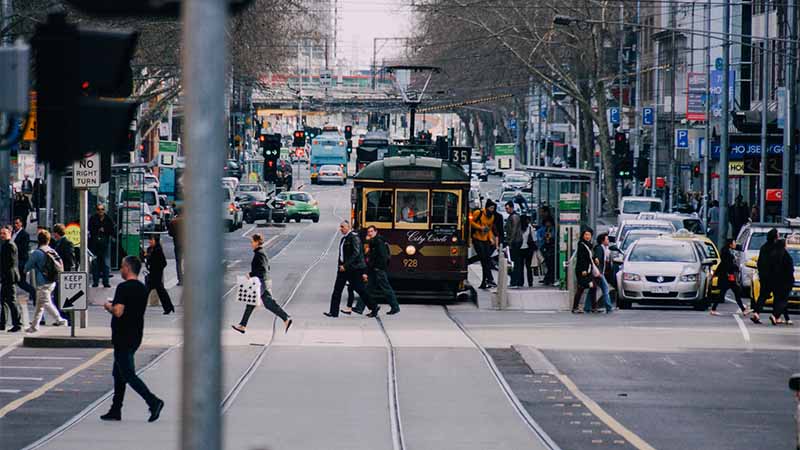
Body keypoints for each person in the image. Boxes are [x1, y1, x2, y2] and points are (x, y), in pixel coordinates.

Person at [100, 256, 165, 422]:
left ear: (128, 268)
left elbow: (118, 311)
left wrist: (109, 306)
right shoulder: (142, 288)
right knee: (118, 373)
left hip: (122, 336)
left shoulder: (123, 287)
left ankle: (153, 401)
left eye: (122, 266)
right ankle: (116, 409)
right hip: (136, 335)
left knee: (128, 374)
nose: (121, 269)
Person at [232, 233, 292, 333]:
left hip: (261, 282)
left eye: (252, 242)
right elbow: (267, 267)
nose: (251, 244)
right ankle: (286, 318)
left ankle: (243, 325)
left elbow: (263, 269)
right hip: (264, 281)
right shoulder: (261, 252)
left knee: (254, 303)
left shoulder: (259, 253)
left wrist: (250, 274)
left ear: (256, 242)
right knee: (264, 303)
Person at [325, 221, 379, 318]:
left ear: (348, 227)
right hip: (343, 269)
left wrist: (345, 265)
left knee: (360, 289)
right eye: (340, 227)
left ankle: (374, 307)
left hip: (354, 269)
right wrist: (341, 266)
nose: (340, 229)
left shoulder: (354, 238)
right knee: (337, 290)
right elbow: (342, 255)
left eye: (342, 227)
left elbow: (356, 253)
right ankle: (333, 312)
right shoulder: (344, 239)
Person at [23, 230, 67, 332]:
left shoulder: (37, 253)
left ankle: (60, 320)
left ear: (38, 240)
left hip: (42, 282)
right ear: (48, 240)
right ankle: (34, 326)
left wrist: (26, 270)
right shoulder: (52, 251)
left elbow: (27, 267)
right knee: (40, 305)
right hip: (52, 281)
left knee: (45, 303)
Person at [358, 226, 399, 315]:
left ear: (376, 232)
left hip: (378, 270)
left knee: (386, 289)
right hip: (374, 269)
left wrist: (379, 267)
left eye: (372, 231)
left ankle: (395, 307)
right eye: (368, 231)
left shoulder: (378, 241)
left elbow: (383, 257)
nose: (370, 233)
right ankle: (359, 308)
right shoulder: (374, 241)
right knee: (367, 289)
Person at [710, 239, 749, 316]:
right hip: (727, 277)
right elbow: (727, 265)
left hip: (727, 276)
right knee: (726, 293)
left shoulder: (728, 251)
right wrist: (734, 268)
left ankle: (743, 310)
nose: (735, 244)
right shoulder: (726, 253)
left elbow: (725, 264)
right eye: (734, 243)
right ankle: (743, 310)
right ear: (730, 244)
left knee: (730, 292)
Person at [751, 228, 779, 324]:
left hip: (764, 276)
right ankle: (775, 315)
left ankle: (757, 313)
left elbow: (759, 262)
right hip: (774, 276)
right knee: (778, 296)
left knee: (762, 295)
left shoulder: (764, 247)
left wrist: (761, 273)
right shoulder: (776, 248)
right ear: (775, 237)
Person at [143, 235, 175, 315]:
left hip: (156, 275)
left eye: (152, 240)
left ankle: (139, 308)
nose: (150, 241)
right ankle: (169, 307)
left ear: (156, 241)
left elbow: (164, 263)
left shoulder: (158, 250)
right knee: (160, 291)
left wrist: (156, 268)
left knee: (147, 292)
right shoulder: (150, 249)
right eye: (149, 240)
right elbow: (147, 259)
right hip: (152, 274)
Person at [469, 199, 497, 289]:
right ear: (487, 207)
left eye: (493, 208)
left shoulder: (492, 217)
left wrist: (491, 239)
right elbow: (471, 222)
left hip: (485, 239)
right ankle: (490, 279)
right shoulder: (478, 213)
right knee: (484, 258)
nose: (492, 210)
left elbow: (489, 229)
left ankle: (485, 282)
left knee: (485, 260)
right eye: (491, 208)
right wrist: (480, 228)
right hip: (477, 238)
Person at [0, 226, 23, 332]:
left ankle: (18, 323)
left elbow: (9, 263)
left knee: (11, 301)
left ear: (9, 233)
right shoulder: (5, 245)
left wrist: (3, 274)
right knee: (4, 301)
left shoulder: (10, 245)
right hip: (6, 277)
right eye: (1, 233)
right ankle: (2, 323)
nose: (2, 235)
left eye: (4, 233)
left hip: (9, 277)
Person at [52, 224, 75, 323]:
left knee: (62, 297)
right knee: (58, 297)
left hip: (64, 273)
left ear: (56, 233)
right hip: (59, 274)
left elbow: (70, 260)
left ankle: (67, 318)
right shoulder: (58, 243)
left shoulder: (66, 243)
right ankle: (63, 318)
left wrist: (67, 272)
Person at [11, 217, 36, 307]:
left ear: (21, 224)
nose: (15, 225)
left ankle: (34, 293)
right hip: (14, 263)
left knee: (21, 282)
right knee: (16, 282)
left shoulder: (24, 234)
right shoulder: (14, 233)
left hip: (20, 262)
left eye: (17, 223)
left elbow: (23, 249)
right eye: (15, 223)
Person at [89, 204, 115, 288]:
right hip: (95, 244)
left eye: (102, 209)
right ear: (96, 210)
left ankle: (105, 282)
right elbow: (90, 229)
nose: (101, 211)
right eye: (99, 209)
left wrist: (105, 230)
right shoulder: (93, 218)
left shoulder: (108, 219)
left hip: (105, 244)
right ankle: (95, 282)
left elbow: (112, 230)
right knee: (95, 263)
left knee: (105, 263)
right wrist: (97, 230)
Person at [587, 233, 614, 313]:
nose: (608, 241)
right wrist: (598, 272)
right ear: (602, 241)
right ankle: (608, 307)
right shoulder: (599, 249)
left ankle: (587, 307)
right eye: (607, 239)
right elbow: (597, 261)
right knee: (605, 289)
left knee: (592, 290)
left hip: (599, 272)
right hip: (599, 273)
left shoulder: (603, 248)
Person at [769, 239, 794, 326]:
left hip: (775, 281)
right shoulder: (786, 256)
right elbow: (790, 270)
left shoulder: (773, 255)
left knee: (777, 299)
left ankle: (786, 318)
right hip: (785, 282)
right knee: (784, 300)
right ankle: (775, 315)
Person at [572, 227, 594, 314]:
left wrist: (595, 258)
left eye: (589, 235)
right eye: (586, 234)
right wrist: (583, 270)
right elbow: (581, 259)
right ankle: (576, 307)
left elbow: (590, 256)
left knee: (591, 287)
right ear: (583, 235)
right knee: (581, 288)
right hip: (582, 271)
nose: (587, 236)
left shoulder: (589, 244)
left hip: (587, 270)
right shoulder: (581, 244)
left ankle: (590, 306)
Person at [504, 201, 523, 288]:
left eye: (507, 208)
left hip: (515, 242)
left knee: (515, 262)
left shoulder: (514, 217)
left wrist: (510, 241)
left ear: (511, 208)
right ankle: (515, 280)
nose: (506, 210)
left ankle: (515, 281)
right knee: (514, 262)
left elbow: (514, 230)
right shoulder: (512, 216)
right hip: (514, 241)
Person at [519, 215, 537, 287]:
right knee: (529, 267)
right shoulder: (530, 228)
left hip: (520, 249)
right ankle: (530, 282)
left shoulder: (518, 228)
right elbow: (534, 239)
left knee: (521, 267)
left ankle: (521, 282)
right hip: (528, 249)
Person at [166, 209, 183, 286]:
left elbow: (170, 233)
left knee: (178, 262)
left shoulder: (173, 222)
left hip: (177, 244)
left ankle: (180, 280)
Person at [539, 219, 556, 285]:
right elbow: (542, 236)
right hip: (546, 247)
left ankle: (549, 278)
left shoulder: (553, 229)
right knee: (548, 264)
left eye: (548, 222)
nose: (547, 224)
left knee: (551, 264)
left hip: (551, 247)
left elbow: (553, 236)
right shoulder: (545, 229)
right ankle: (548, 278)